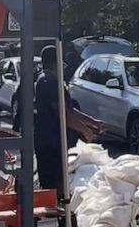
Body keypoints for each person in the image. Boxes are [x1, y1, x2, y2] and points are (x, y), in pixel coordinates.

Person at [33, 45, 105, 198]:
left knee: (61, 179)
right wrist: (84, 130)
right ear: (55, 62)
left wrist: (92, 122)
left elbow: (70, 109)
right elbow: (63, 113)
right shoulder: (47, 81)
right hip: (48, 141)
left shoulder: (54, 81)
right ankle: (55, 213)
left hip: (56, 140)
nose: (64, 66)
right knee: (53, 183)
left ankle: (61, 212)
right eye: (62, 62)